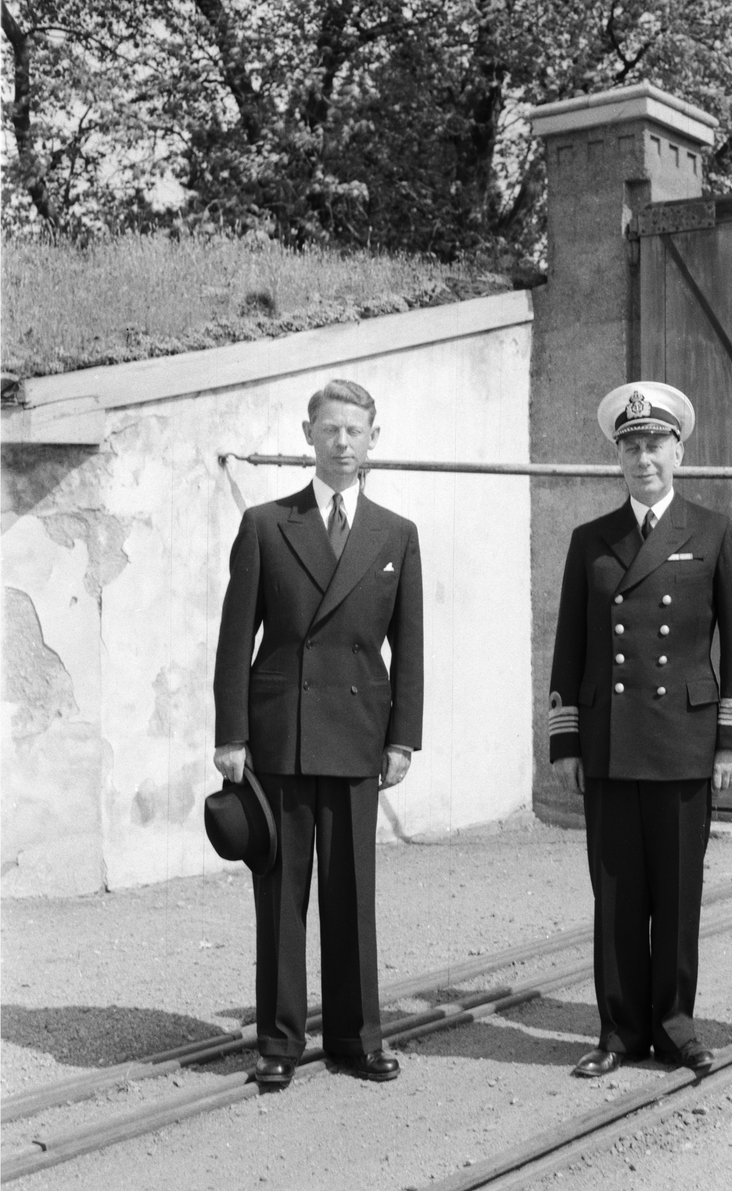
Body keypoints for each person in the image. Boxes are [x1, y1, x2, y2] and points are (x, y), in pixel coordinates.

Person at [213, 379, 423, 1089]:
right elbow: (235, 639)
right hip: (282, 735)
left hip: (358, 734)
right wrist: (232, 734)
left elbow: (409, 646)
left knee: (351, 893)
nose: (342, 442)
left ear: (373, 440)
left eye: (354, 431)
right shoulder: (267, 525)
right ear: (308, 435)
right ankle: (278, 1043)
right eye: (329, 429)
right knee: (281, 895)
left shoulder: (396, 533)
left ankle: (357, 1038)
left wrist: (403, 738)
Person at [549, 381, 732, 1077]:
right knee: (615, 895)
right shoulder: (591, 540)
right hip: (611, 741)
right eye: (631, 447)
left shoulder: (714, 531)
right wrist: (566, 740)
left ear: (680, 452)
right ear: (618, 457)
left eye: (655, 445)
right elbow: (570, 646)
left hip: (682, 741)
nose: (643, 459)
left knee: (675, 895)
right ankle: (618, 1033)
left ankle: (675, 1028)